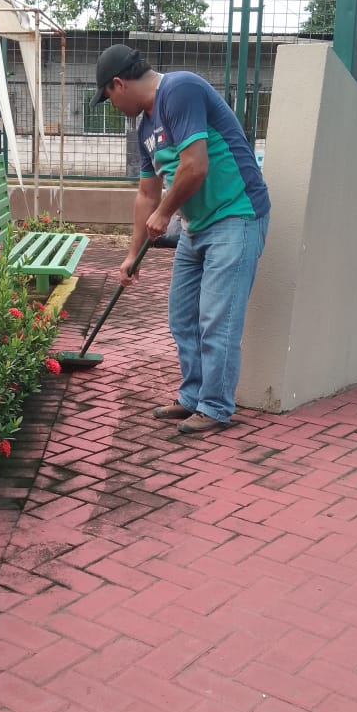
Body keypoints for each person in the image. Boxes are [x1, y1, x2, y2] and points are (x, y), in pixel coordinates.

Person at [90, 43, 270, 435]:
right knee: (182, 316)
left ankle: (215, 407)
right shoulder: (144, 128)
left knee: (217, 319)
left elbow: (195, 166)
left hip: (236, 215)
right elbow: (147, 194)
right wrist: (132, 254)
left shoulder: (179, 89)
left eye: (108, 97)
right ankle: (192, 397)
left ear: (119, 83)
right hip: (197, 225)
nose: (112, 106)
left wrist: (165, 212)